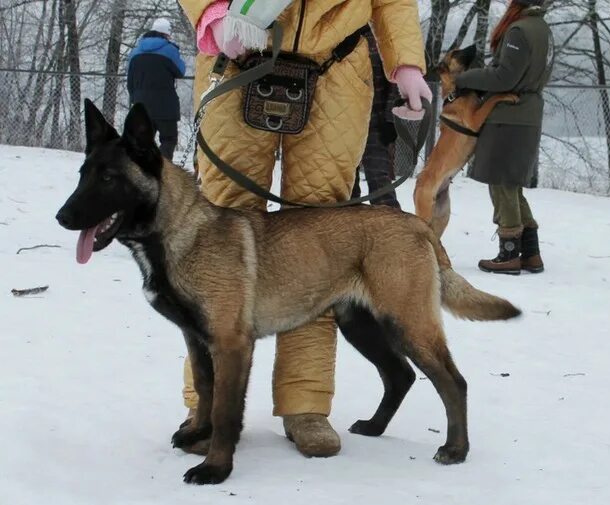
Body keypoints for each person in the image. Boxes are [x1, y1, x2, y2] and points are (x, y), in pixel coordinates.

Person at [178, 0, 431, 458]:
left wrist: (407, 60)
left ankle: (306, 402)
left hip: (337, 65)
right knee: (218, 235)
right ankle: (208, 405)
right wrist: (210, 14)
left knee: (319, 244)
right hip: (237, 53)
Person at [455, 0, 553, 275]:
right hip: (528, 114)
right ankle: (531, 253)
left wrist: (465, 79)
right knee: (512, 184)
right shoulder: (542, 28)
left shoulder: (520, 30)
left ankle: (509, 254)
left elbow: (504, 78)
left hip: (509, 115)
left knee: (501, 183)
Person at [351, 26, 401, 209]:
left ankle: (394, 233)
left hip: (375, 124)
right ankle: (349, 232)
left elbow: (395, 81)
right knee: (345, 188)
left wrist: (390, 119)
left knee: (381, 185)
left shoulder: (381, 38)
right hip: (344, 125)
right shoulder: (340, 34)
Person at [127, 18, 186, 162]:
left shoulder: (135, 52)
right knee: (168, 139)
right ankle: (163, 172)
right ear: (167, 34)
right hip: (165, 106)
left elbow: (130, 81)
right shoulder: (170, 50)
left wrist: (135, 99)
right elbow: (181, 71)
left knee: (142, 143)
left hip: (141, 106)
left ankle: (142, 174)